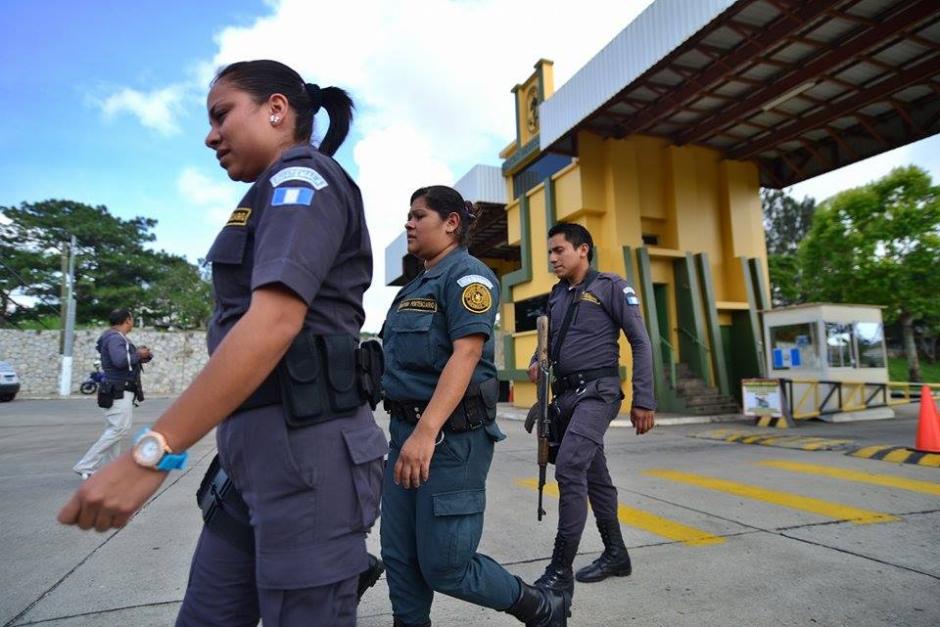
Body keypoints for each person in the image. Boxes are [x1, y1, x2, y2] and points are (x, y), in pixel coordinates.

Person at [58, 59, 388, 627]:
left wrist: (151, 453)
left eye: (221, 114)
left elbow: (273, 323)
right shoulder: (264, 194)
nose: (210, 135)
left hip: (307, 456)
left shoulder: (302, 178)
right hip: (249, 460)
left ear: (277, 109)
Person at [380, 185, 568, 627]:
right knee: (400, 556)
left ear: (450, 223)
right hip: (404, 436)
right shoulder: (412, 288)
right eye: (407, 215)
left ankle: (540, 605)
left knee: (446, 565)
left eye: (417, 215)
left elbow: (465, 356)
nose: (408, 223)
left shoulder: (469, 277)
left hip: (449, 441)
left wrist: (425, 433)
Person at [527, 223, 656, 602]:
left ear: (583, 250)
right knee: (595, 477)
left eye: (559, 250)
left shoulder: (611, 286)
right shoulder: (556, 295)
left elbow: (641, 341)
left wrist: (644, 399)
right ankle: (616, 554)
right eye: (550, 252)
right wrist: (537, 360)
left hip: (597, 393)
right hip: (565, 398)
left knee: (568, 468)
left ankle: (559, 571)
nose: (552, 258)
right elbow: (546, 344)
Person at [72, 309, 152, 479]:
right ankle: (86, 465)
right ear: (127, 320)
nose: (133, 321)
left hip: (117, 390)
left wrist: (140, 355)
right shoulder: (115, 338)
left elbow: (124, 359)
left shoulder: (113, 337)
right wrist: (138, 354)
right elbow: (120, 361)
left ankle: (114, 470)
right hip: (119, 390)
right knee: (119, 429)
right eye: (132, 318)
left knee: (115, 429)